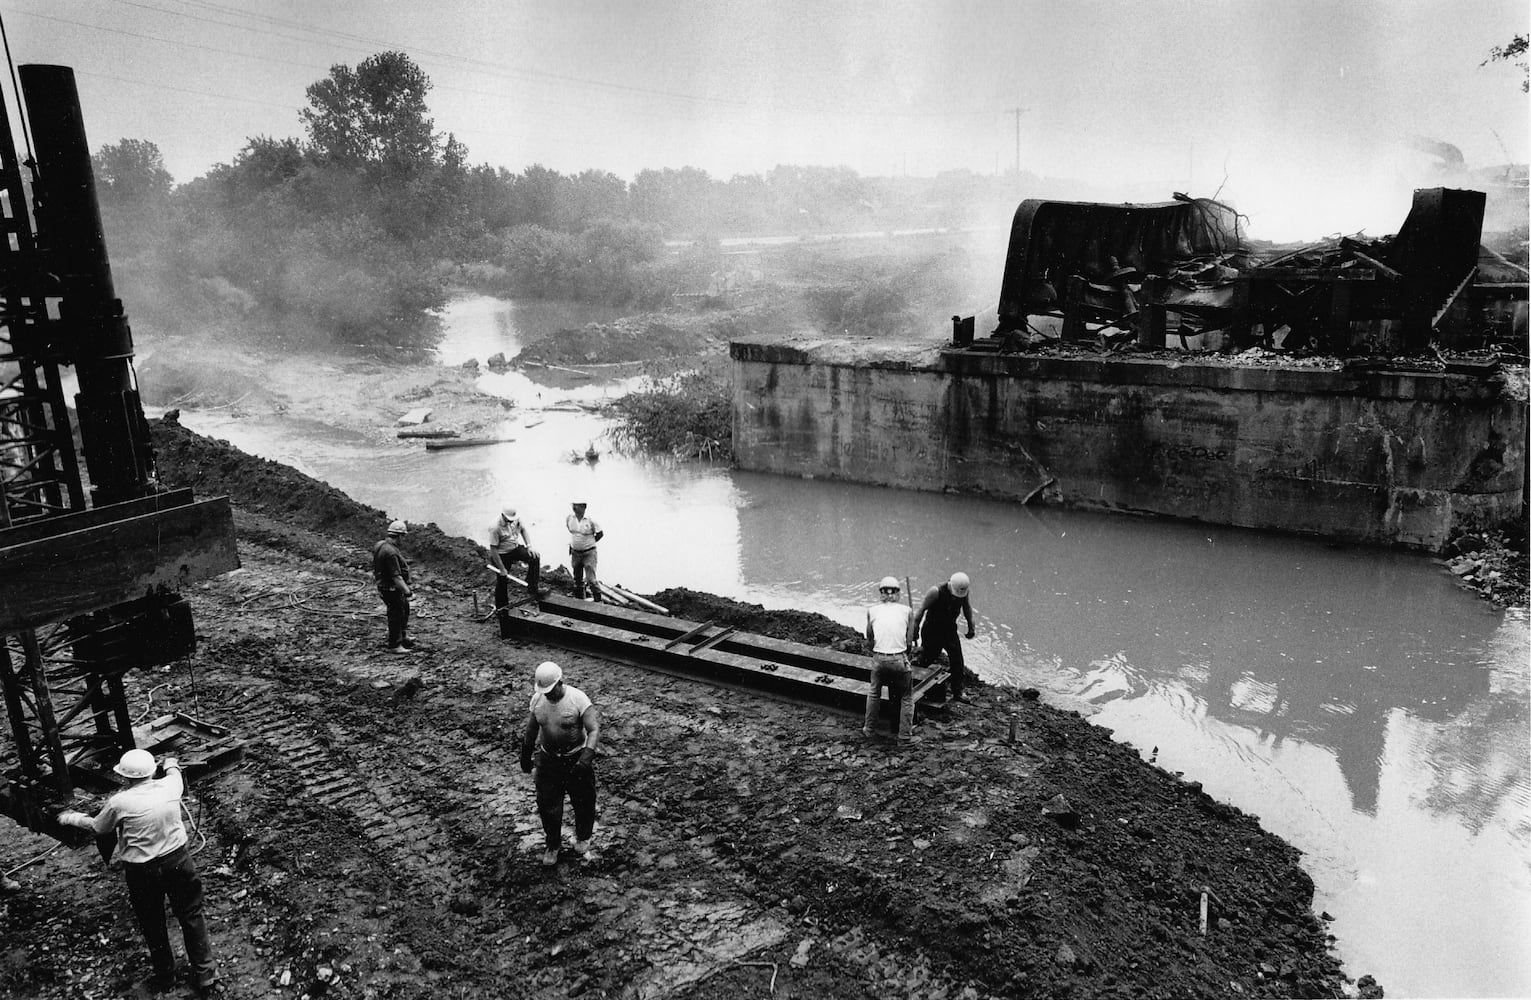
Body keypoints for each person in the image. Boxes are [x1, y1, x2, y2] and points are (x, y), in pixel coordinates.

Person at [57, 749, 217, 994]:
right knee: (192, 915)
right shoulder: (169, 787)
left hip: (143, 872)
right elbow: (174, 771)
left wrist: (71, 818)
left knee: (152, 922)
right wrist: (171, 762)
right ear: (153, 771)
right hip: (178, 862)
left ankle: (165, 976)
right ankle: (205, 974)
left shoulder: (119, 802)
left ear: (124, 777)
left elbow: (98, 828)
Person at [518, 661, 601, 866]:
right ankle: (553, 844)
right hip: (549, 761)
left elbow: (593, 729)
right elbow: (532, 729)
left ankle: (583, 836)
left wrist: (586, 756)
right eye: (544, 691)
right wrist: (526, 752)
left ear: (560, 682)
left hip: (575, 758)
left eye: (550, 690)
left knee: (583, 802)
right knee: (548, 805)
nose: (547, 694)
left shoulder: (577, 699)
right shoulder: (538, 700)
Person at [863, 576, 916, 741]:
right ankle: (905, 736)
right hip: (899, 659)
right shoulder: (907, 611)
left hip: (879, 658)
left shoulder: (872, 610)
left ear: (881, 594)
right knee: (907, 697)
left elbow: (869, 638)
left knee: (874, 693)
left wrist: (878, 652)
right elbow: (909, 642)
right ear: (898, 593)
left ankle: (869, 729)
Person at [913, 571, 977, 701]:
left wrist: (971, 626)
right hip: (932, 630)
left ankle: (957, 692)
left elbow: (967, 608)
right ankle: (912, 679)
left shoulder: (963, 592)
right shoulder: (935, 592)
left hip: (949, 630)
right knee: (928, 657)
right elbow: (921, 610)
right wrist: (915, 629)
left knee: (957, 660)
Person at [488, 505, 543, 636]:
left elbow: (523, 530)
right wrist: (501, 568)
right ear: (502, 515)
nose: (511, 521)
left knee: (534, 558)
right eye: (508, 519)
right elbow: (493, 550)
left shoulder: (516, 519)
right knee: (502, 581)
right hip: (501, 554)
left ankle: (532, 587)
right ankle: (502, 609)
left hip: (514, 548)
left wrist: (529, 546)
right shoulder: (494, 527)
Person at [372, 519, 414, 653]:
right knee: (396, 614)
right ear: (399, 536)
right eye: (403, 537)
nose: (404, 540)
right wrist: (407, 591)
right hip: (391, 588)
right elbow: (396, 577)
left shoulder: (381, 545)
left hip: (385, 586)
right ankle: (395, 645)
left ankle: (403, 637)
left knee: (404, 609)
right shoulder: (390, 552)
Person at [565, 501, 604, 601]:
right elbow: (572, 532)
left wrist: (589, 543)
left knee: (591, 580)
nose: (574, 508)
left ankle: (598, 601)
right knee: (577, 578)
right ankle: (580, 601)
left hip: (589, 553)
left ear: (583, 507)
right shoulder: (570, 518)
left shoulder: (591, 520)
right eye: (573, 505)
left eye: (577, 506)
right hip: (575, 552)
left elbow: (600, 534)